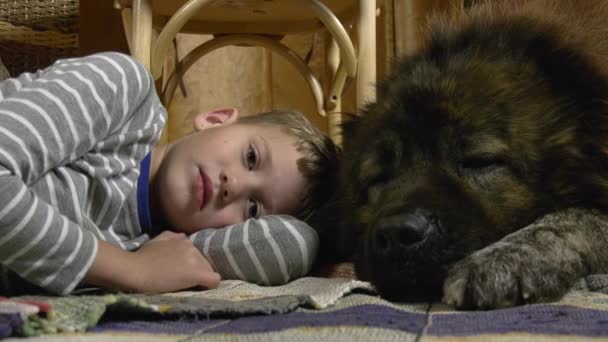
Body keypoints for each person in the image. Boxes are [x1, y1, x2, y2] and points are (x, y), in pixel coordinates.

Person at [0, 52, 339, 295]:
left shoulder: (151, 252)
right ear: (216, 118)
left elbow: (292, 245)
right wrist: (132, 272)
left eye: (253, 209)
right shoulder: (124, 93)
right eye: (251, 157)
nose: (232, 185)